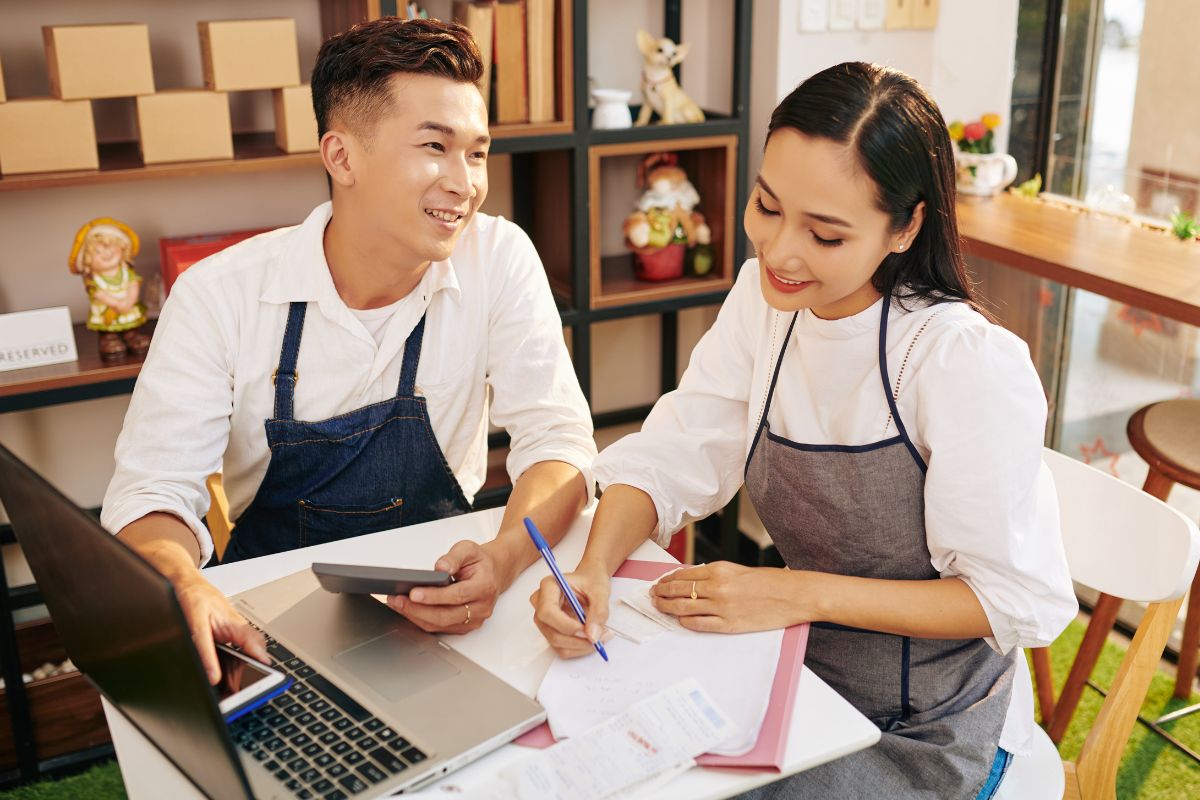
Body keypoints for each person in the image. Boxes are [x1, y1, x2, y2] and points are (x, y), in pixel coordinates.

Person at [532, 62, 1076, 798]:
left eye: (823, 234)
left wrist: (797, 595)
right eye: (766, 206)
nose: (779, 252)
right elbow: (673, 455)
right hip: (792, 673)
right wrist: (591, 568)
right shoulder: (766, 308)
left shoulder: (960, 363)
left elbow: (1016, 601)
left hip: (925, 730)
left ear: (906, 226)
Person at [102, 17, 596, 684]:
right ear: (341, 157)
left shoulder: (498, 257)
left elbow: (560, 442)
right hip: (272, 613)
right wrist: (180, 580)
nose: (465, 183)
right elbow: (152, 491)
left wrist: (504, 557)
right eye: (434, 146)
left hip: (441, 593)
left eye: (476, 153)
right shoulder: (218, 296)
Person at [69, 217, 152, 360]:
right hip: (109, 314)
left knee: (131, 328)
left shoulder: (127, 272)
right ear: (87, 258)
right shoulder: (94, 280)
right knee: (109, 332)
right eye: (97, 252)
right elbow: (99, 294)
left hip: (127, 308)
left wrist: (129, 302)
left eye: (111, 248)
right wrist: (117, 304)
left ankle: (131, 336)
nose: (106, 254)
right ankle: (109, 339)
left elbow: (133, 285)